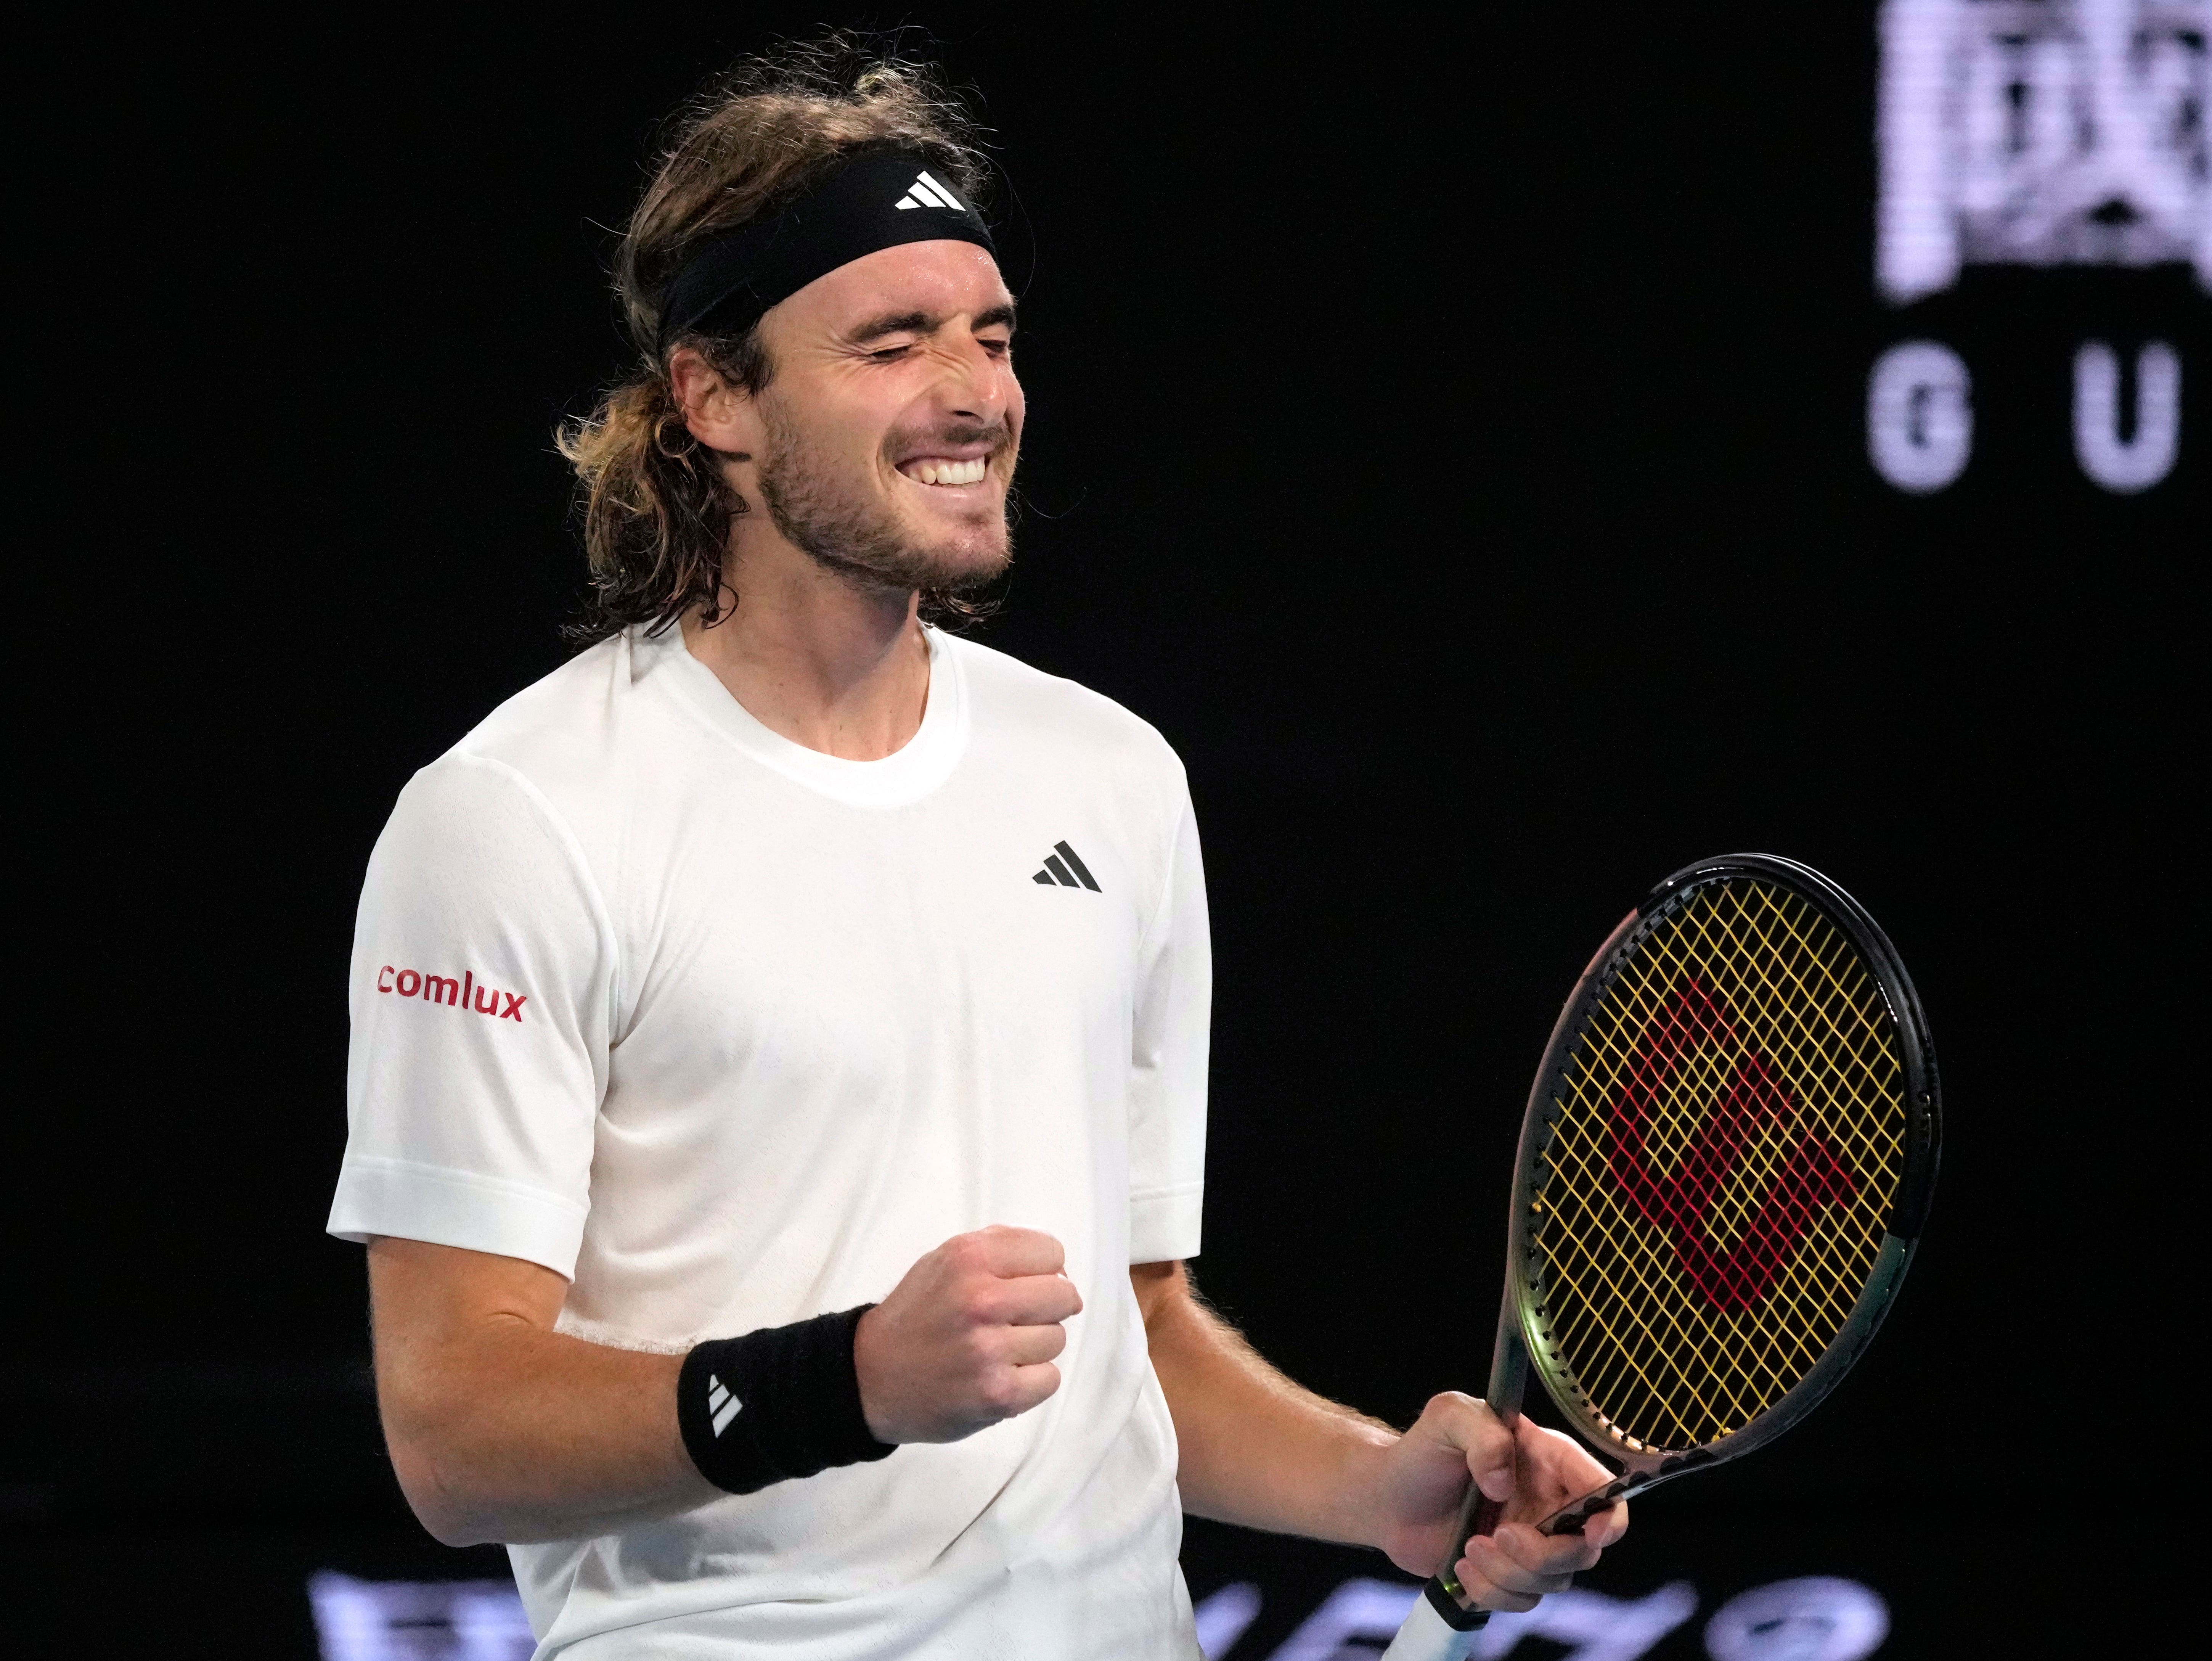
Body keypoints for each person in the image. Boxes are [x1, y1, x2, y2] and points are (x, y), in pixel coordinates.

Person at [328, 45, 1624, 1657]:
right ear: (715, 398)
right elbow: (455, 1433)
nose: (975, 393)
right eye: (890, 342)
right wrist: (851, 1381)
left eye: (990, 335)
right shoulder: (512, 816)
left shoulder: (1112, 778)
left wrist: (1376, 1488)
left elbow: (1129, 1335)